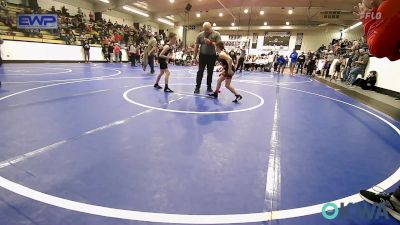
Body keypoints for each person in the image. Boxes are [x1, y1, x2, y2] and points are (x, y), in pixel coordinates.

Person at [193, 22, 221, 94]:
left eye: (207, 30)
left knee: (210, 72)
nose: (206, 31)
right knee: (200, 72)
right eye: (204, 30)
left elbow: (219, 46)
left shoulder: (216, 34)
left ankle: (209, 86)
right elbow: (196, 46)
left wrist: (211, 43)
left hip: (212, 56)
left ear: (211, 28)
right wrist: (194, 57)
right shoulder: (200, 35)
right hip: (202, 56)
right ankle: (197, 87)